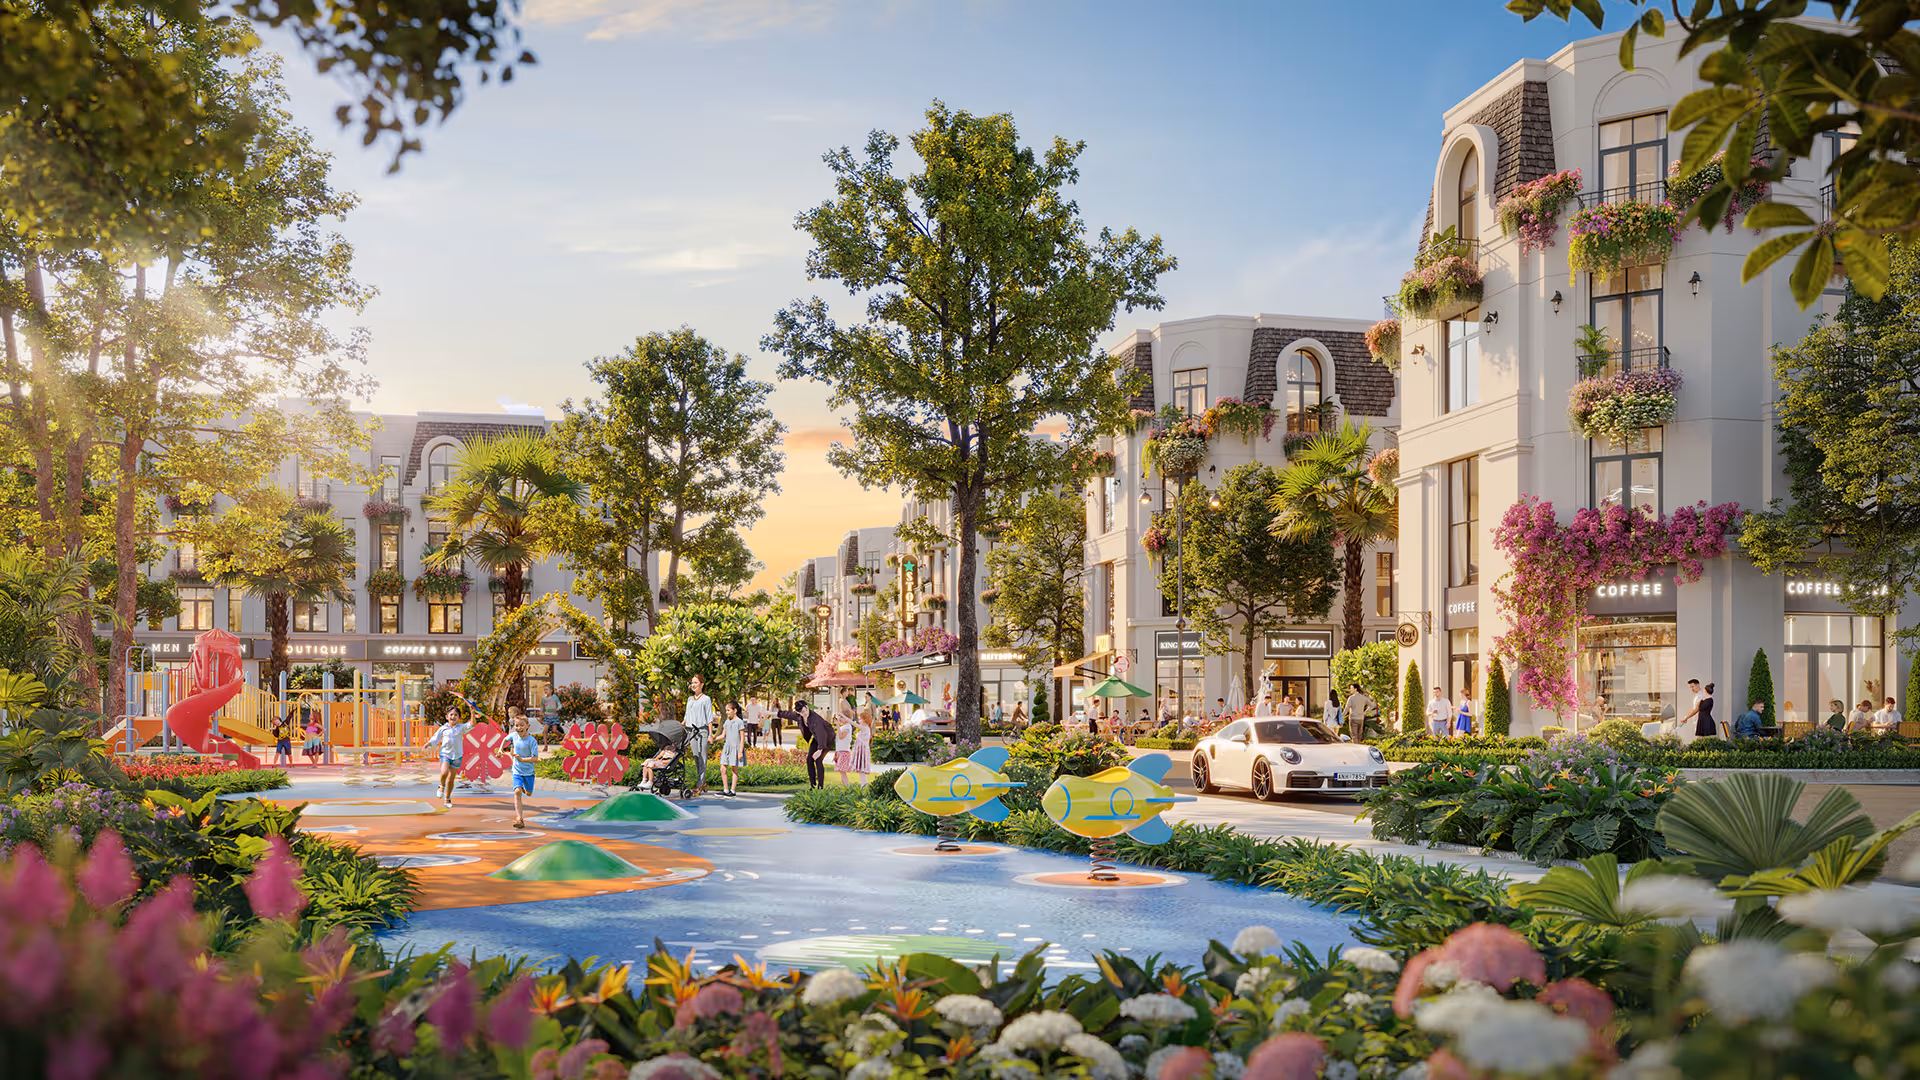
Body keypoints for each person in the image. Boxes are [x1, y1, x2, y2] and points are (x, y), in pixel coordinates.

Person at [426, 707, 471, 809]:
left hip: (457, 756)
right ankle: (441, 786)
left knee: (451, 780)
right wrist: (428, 744)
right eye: (451, 714)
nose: (453, 717)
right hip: (445, 754)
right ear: (447, 717)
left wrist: (472, 712)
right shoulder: (443, 728)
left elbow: (471, 724)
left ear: (459, 718)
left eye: (455, 715)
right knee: (444, 772)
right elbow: (435, 738)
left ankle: (447, 798)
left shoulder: (461, 727)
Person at [683, 674, 715, 797]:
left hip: (702, 731)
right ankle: (703, 782)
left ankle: (698, 785)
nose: (693, 685)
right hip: (691, 732)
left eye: (696, 682)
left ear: (702, 684)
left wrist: (710, 734)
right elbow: (686, 716)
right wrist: (682, 725)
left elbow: (709, 718)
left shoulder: (706, 699)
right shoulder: (689, 699)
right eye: (692, 682)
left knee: (703, 758)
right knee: (696, 758)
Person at [508, 714, 540, 828]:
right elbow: (505, 740)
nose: (518, 728)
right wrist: (500, 751)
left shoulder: (532, 741)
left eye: (521, 725)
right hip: (516, 770)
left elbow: (535, 758)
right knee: (516, 792)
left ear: (527, 726)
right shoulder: (514, 736)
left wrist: (522, 760)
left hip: (529, 772)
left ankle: (524, 789)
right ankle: (519, 819)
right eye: (516, 725)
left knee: (529, 793)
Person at [717, 700, 746, 797]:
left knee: (734, 769)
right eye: (726, 710)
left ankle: (732, 791)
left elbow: (742, 738)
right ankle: (725, 790)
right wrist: (712, 739)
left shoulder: (739, 722)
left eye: (728, 710)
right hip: (727, 748)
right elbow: (722, 735)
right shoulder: (726, 722)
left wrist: (740, 751)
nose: (726, 712)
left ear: (735, 710)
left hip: (736, 749)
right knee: (723, 769)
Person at [849, 706, 874, 783]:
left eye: (860, 718)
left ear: (864, 720)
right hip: (862, 751)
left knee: (862, 773)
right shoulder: (866, 728)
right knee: (861, 773)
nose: (859, 720)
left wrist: (843, 716)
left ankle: (863, 790)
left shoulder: (864, 728)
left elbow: (853, 723)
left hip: (862, 752)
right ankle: (863, 789)